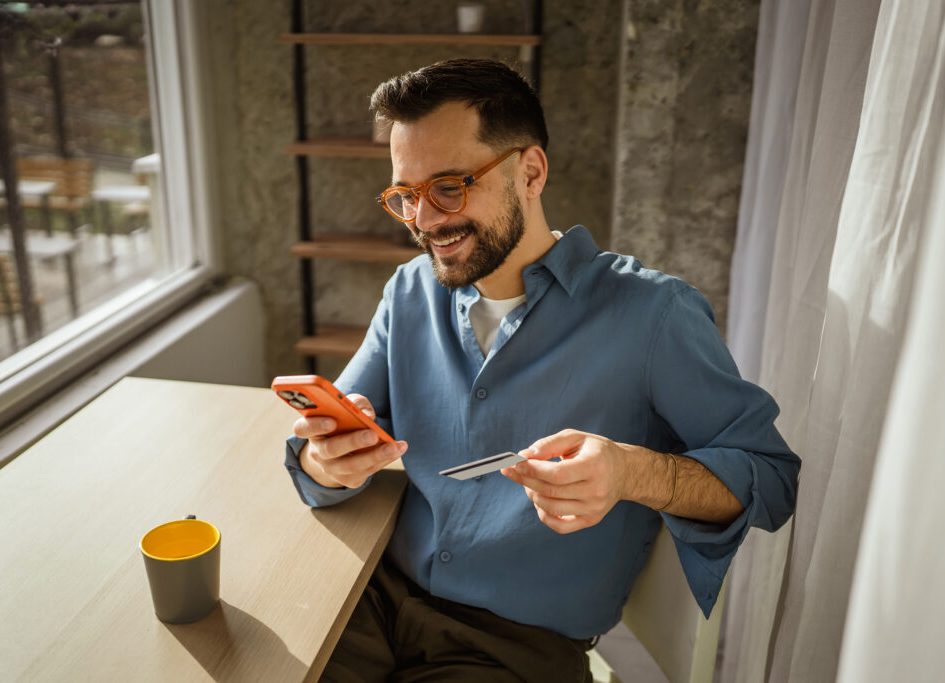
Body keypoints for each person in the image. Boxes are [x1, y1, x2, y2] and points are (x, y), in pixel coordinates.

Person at [285, 58, 800, 682]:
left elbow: (771, 480)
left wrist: (634, 473)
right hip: (372, 597)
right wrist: (324, 463)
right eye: (406, 196)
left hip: (513, 651)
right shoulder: (410, 292)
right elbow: (333, 435)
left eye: (449, 186)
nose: (423, 220)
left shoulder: (654, 315)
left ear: (530, 171)